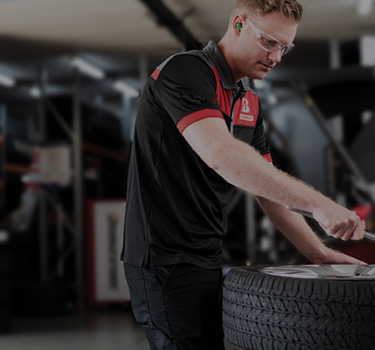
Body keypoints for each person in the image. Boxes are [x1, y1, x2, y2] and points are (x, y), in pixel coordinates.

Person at [121, 0, 366, 349]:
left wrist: (318, 252)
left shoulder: (248, 102)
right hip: (161, 258)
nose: (277, 56)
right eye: (269, 41)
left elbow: (267, 187)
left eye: (285, 47)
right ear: (238, 24)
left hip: (205, 253)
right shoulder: (185, 72)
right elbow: (221, 155)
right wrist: (319, 204)